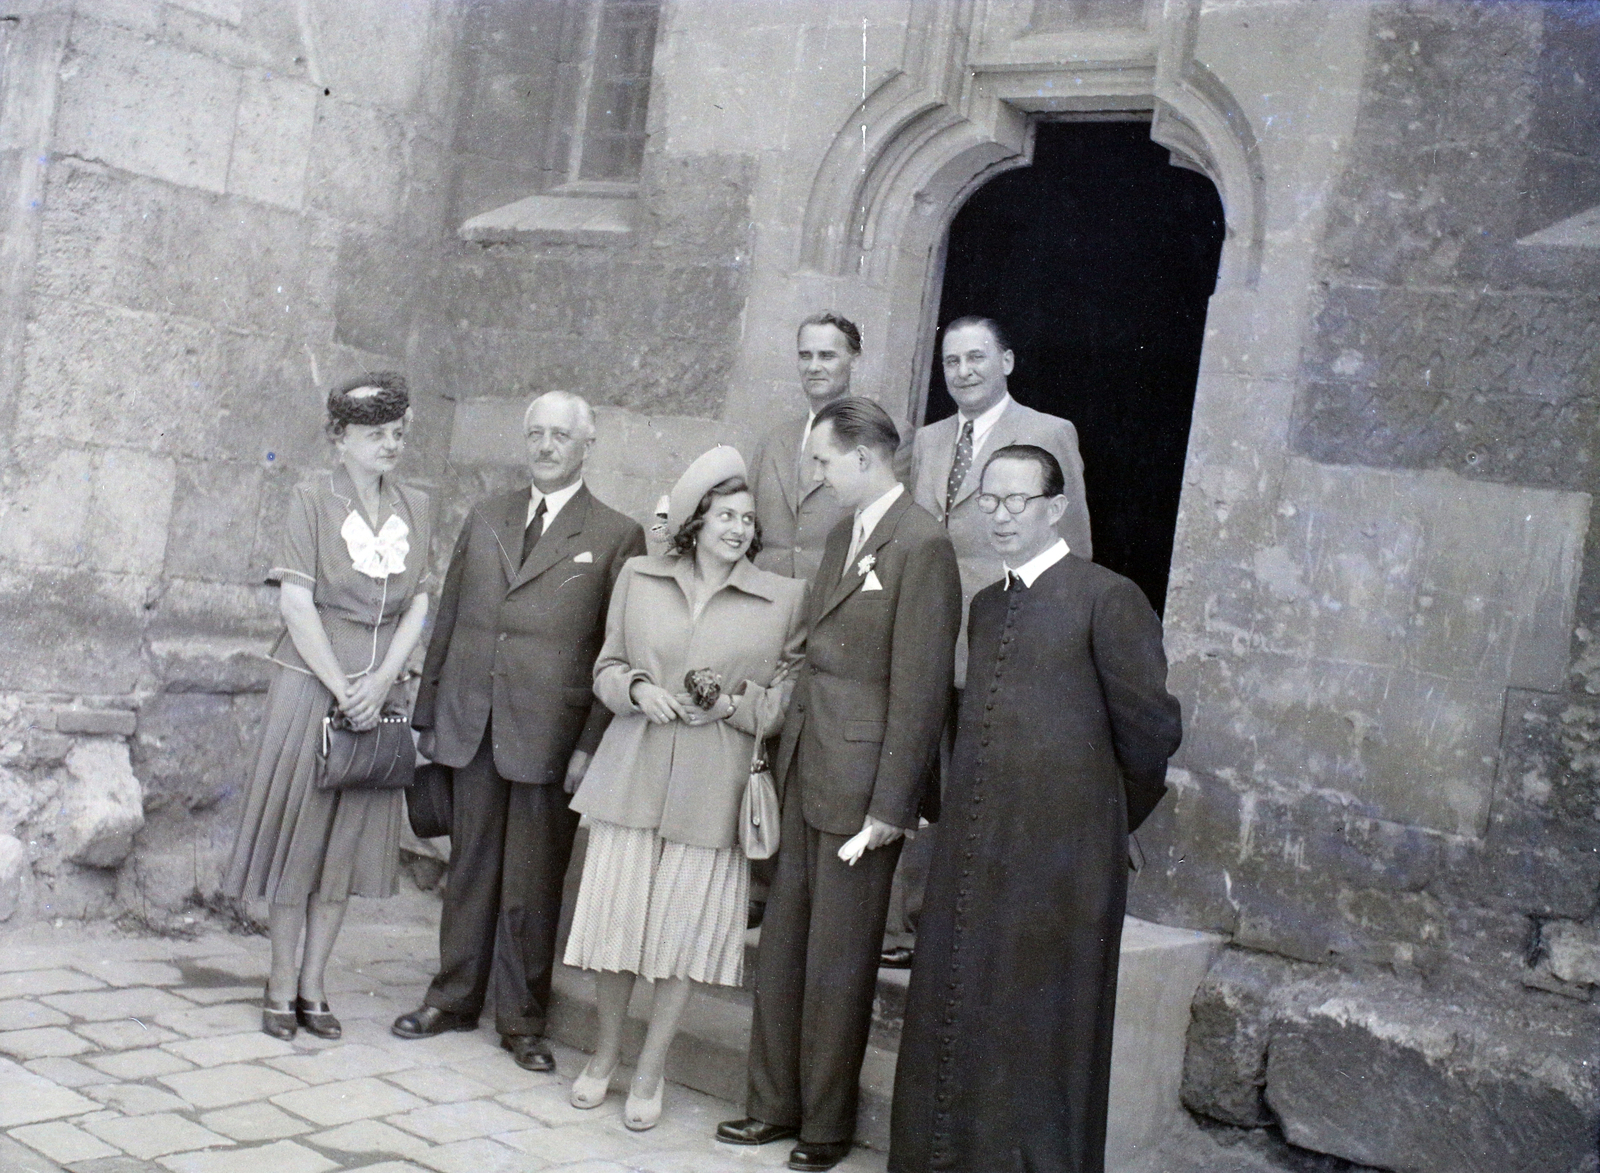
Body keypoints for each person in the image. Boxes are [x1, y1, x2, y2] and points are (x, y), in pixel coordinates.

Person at [889, 445, 1183, 1173]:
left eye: (1019, 501)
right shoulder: (988, 605)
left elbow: (1150, 737)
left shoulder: (1106, 597)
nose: (1002, 515)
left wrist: (1090, 823)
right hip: (977, 856)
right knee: (965, 1015)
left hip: (1062, 865)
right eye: (990, 500)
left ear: (1055, 508)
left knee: (1041, 1036)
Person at [718, 398, 961, 1173]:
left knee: (841, 961)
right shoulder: (838, 536)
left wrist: (893, 807)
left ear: (865, 456)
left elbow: (921, 690)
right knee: (787, 947)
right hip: (805, 767)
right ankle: (770, 1104)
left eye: (824, 461)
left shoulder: (922, 544)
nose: (816, 476)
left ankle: (824, 1123)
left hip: (862, 791)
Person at [392, 392, 644, 1073]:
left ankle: (522, 1017)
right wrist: (427, 715)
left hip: (549, 734)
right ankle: (453, 996)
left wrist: (589, 744)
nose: (545, 445)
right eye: (536, 433)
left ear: (586, 445)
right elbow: (449, 618)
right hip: (473, 720)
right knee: (470, 863)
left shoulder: (615, 534)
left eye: (561, 434)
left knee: (533, 877)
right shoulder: (487, 516)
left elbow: (613, 647)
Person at [563, 446, 807, 1131]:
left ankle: (650, 1067)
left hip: (714, 784)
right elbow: (606, 666)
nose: (736, 527)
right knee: (616, 926)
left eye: (747, 518)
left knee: (683, 934)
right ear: (695, 521)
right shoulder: (640, 576)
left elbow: (786, 703)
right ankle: (605, 1054)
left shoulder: (784, 598)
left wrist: (732, 706)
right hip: (634, 771)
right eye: (724, 514)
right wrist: (638, 689)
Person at [224, 372, 432, 1042]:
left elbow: (420, 602)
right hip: (312, 687)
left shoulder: (417, 505)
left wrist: (383, 681)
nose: (389, 445)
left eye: (397, 433)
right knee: (301, 843)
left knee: (342, 849)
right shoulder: (312, 497)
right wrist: (345, 688)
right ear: (340, 438)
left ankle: (316, 982)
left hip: (376, 693)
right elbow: (295, 602)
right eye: (375, 434)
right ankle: (280, 980)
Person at [887, 314, 1094, 971]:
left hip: (1000, 640)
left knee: (980, 785)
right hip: (928, 634)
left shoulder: (1047, 433)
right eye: (952, 361)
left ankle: (965, 927)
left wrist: (1051, 641)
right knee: (920, 780)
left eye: (977, 357)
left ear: (1006, 360)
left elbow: (1072, 545)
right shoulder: (926, 439)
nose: (964, 371)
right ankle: (905, 926)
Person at [749, 311, 911, 582]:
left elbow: (892, 530)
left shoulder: (887, 434)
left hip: (835, 597)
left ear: (854, 361)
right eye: (805, 356)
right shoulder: (773, 441)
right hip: (768, 598)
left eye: (826, 356)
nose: (813, 366)